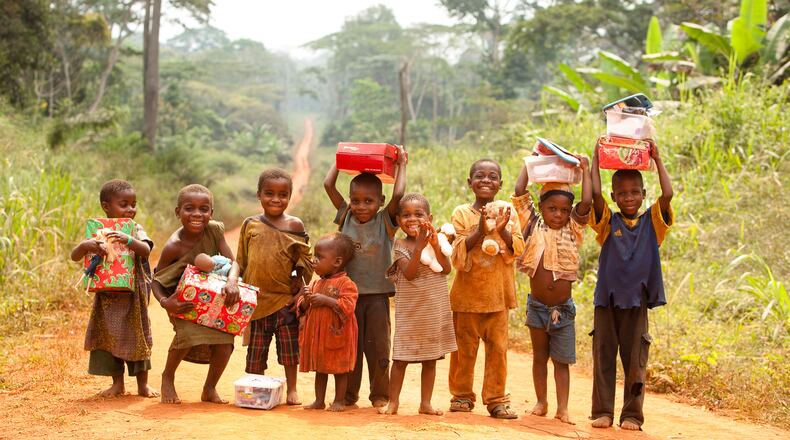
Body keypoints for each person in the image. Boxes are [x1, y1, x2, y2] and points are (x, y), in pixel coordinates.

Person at [589, 143, 673, 430]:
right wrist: (595, 159)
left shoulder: (653, 221)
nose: (629, 197)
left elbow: (669, 194)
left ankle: (632, 415)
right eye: (622, 193)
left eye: (635, 192)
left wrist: (658, 159)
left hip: (637, 301)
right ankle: (602, 412)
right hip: (607, 301)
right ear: (614, 196)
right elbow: (594, 195)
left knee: (636, 361)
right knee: (603, 357)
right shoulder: (606, 222)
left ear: (643, 194)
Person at [323, 146, 407, 408]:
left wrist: (402, 164)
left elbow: (400, 194)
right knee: (351, 346)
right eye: (355, 200)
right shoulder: (345, 215)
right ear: (349, 201)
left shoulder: (385, 221)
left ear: (380, 202)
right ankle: (349, 395)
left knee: (379, 347)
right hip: (347, 297)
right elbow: (328, 183)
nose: (361, 206)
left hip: (378, 297)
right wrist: (341, 158)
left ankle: (380, 394)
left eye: (368, 201)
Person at [511, 157, 592, 424]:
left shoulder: (573, 229)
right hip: (537, 306)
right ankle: (541, 402)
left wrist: (586, 170)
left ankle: (563, 408)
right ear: (542, 208)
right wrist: (530, 163)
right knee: (539, 356)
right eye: (552, 208)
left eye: (564, 210)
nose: (558, 214)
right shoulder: (533, 224)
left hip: (563, 310)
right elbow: (520, 192)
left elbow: (586, 203)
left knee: (561, 361)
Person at [225, 168, 313, 406]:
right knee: (255, 353)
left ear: (290, 196)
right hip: (255, 302)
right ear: (259, 194)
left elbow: (305, 261)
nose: (276, 199)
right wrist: (232, 280)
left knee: (289, 351)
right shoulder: (250, 224)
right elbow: (239, 261)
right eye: (269, 193)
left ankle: (292, 388)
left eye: (283, 194)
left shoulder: (295, 225)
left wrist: (298, 288)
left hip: (284, 301)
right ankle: (256, 389)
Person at [448, 158, 524, 419]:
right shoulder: (461, 214)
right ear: (470, 183)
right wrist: (480, 230)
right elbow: (457, 254)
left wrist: (501, 232)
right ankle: (461, 396)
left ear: (500, 185)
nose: (486, 180)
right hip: (466, 298)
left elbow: (517, 248)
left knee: (498, 350)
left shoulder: (508, 212)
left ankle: (496, 400)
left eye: (492, 177)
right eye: (479, 176)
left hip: (498, 297)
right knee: (463, 351)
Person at [151, 184, 239, 404]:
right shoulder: (174, 245)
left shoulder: (215, 230)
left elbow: (233, 263)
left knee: (225, 341)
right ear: (178, 211)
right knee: (187, 335)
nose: (197, 214)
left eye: (204, 209)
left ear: (211, 213)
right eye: (190, 208)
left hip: (213, 296)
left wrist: (231, 282)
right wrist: (165, 303)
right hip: (181, 301)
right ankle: (168, 377)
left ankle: (209, 388)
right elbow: (155, 281)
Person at [70, 179, 158, 398]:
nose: (131, 209)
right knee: (109, 335)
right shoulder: (97, 230)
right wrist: (85, 245)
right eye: (124, 204)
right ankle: (117, 384)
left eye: (134, 204)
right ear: (106, 206)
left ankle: (142, 385)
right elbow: (75, 256)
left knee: (138, 335)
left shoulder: (135, 228)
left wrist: (129, 239)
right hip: (106, 295)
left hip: (134, 295)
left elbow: (146, 250)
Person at [382, 193, 457, 416]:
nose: (412, 219)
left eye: (418, 214)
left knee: (430, 359)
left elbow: (446, 269)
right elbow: (411, 273)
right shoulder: (400, 245)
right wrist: (420, 246)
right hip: (410, 312)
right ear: (398, 219)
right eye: (406, 215)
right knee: (400, 359)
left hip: (433, 310)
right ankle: (393, 402)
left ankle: (426, 404)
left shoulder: (438, 240)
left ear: (429, 218)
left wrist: (433, 243)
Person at [298, 233, 358, 412]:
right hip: (319, 338)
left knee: (339, 369)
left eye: (319, 257)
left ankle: (339, 400)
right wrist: (307, 300)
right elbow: (302, 308)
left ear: (337, 262)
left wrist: (326, 300)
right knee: (320, 369)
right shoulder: (315, 284)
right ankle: (319, 401)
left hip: (337, 335)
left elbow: (348, 306)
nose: (314, 261)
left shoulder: (346, 283)